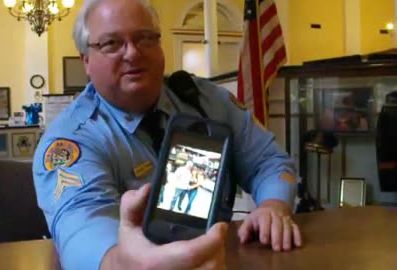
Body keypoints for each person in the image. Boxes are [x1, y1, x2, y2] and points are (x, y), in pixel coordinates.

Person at [32, 0, 302, 269]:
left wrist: (273, 206)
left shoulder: (207, 102)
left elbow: (269, 162)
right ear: (86, 61)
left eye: (145, 38)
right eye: (111, 43)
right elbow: (81, 228)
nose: (133, 53)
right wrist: (122, 264)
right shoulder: (72, 140)